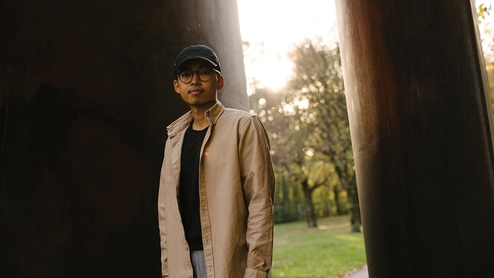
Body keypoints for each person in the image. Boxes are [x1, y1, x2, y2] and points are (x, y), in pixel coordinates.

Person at [158, 44, 275, 278]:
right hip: (184, 265)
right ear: (176, 85)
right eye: (186, 74)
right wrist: (169, 270)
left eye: (204, 72)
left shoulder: (243, 126)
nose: (194, 81)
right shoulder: (173, 140)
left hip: (230, 262)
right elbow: (165, 214)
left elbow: (260, 201)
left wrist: (256, 269)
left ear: (219, 81)